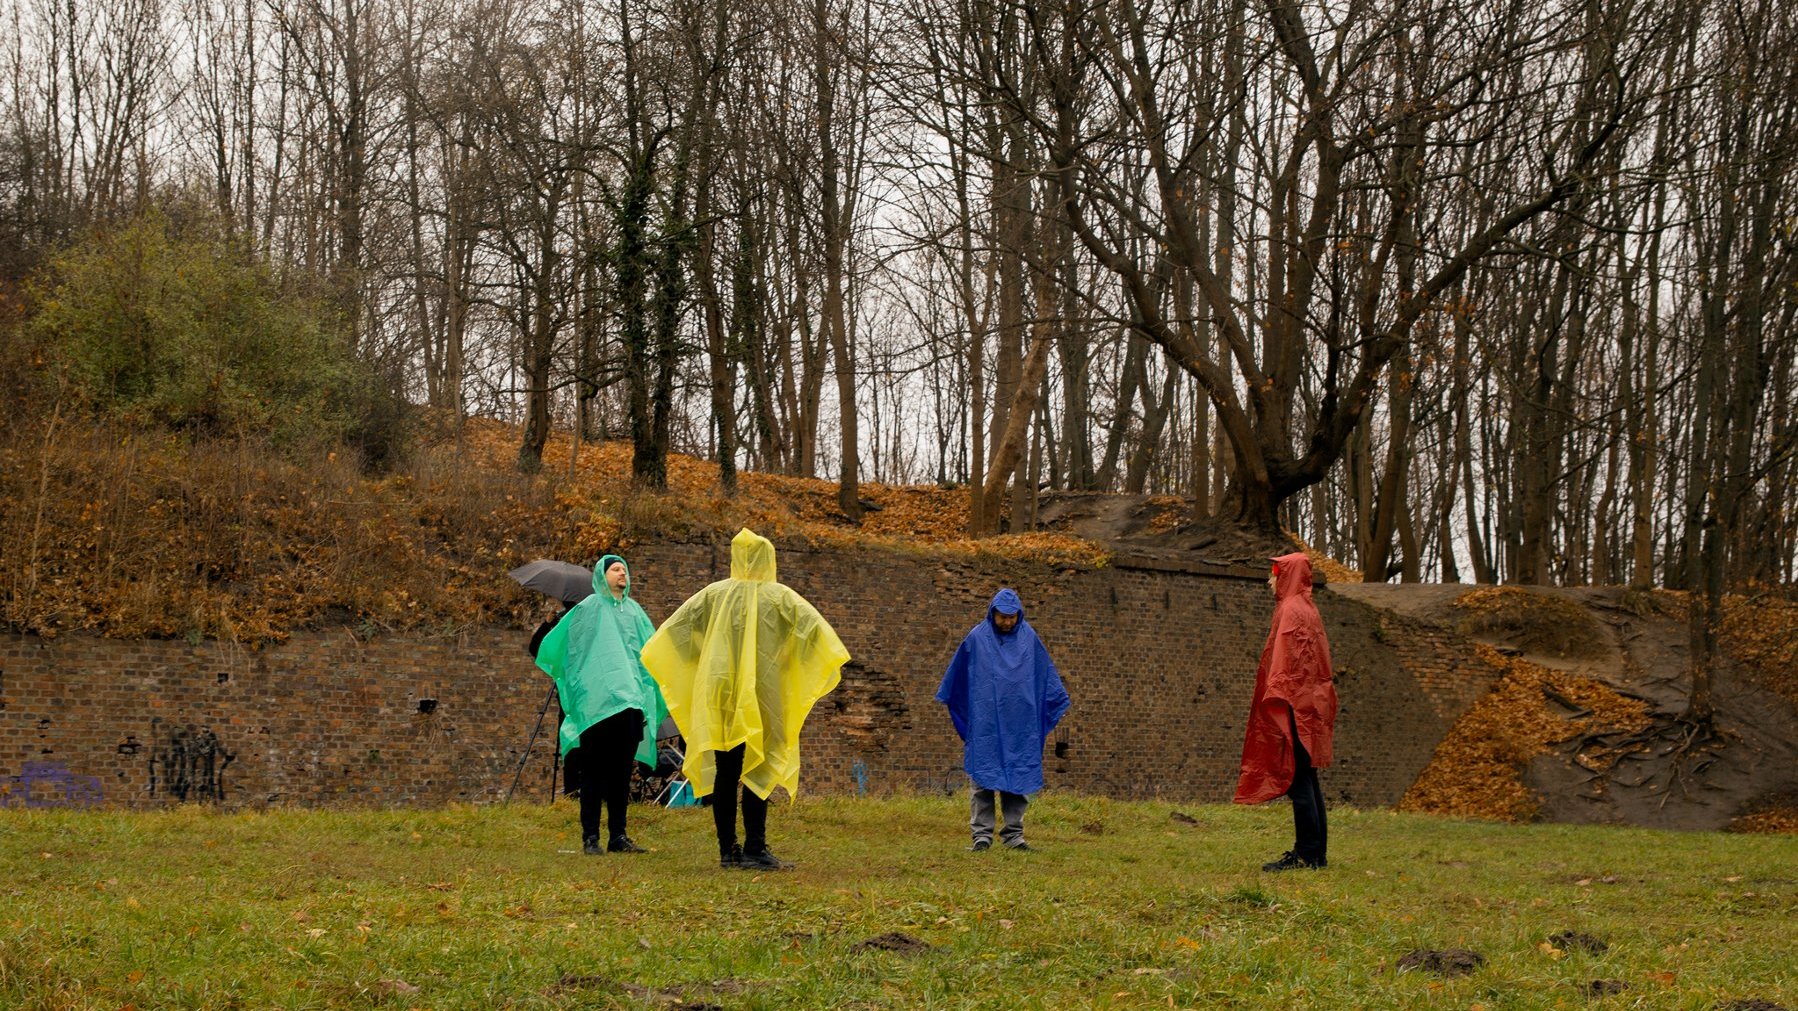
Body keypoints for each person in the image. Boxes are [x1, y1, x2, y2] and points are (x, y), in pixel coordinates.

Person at [640, 529, 849, 871]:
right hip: (764, 694)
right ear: (769, 558)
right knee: (760, 766)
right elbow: (820, 639)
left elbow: (673, 634)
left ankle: (728, 851)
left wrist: (701, 657)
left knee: (726, 770)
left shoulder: (713, 595)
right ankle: (755, 847)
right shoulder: (781, 597)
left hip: (720, 692)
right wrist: (787, 661)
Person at [534, 555, 668, 856]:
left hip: (630, 704)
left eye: (625, 568)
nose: (622, 572)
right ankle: (591, 837)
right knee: (593, 772)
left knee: (621, 774)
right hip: (597, 705)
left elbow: (651, 652)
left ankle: (618, 836)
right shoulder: (588, 609)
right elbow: (566, 646)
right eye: (615, 569)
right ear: (601, 575)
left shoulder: (635, 612)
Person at [935, 588, 1070, 853]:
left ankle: (1014, 835)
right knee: (982, 780)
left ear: (1019, 615)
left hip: (1020, 724)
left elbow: (1044, 677)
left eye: (1012, 617)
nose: (1007, 621)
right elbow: (959, 677)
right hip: (986, 724)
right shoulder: (977, 639)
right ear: (992, 614)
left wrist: (1051, 701)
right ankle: (981, 836)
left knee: (1017, 778)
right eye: (1002, 616)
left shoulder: (1029, 639)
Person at [1234, 552, 1337, 871]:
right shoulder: (1307, 609)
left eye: (1274, 573)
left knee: (1297, 778)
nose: (1269, 579)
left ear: (1286, 576)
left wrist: (1275, 696)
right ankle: (1315, 853)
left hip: (1293, 703)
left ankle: (1307, 854)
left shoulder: (1290, 610)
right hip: (1308, 702)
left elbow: (1284, 664)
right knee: (1308, 777)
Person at [527, 601, 580, 798]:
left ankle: (576, 790)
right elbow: (535, 648)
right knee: (571, 741)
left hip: (578, 693)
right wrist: (548, 623)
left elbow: (535, 648)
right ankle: (573, 790)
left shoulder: (577, 620)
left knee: (575, 741)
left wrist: (548, 623)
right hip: (570, 693)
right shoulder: (564, 620)